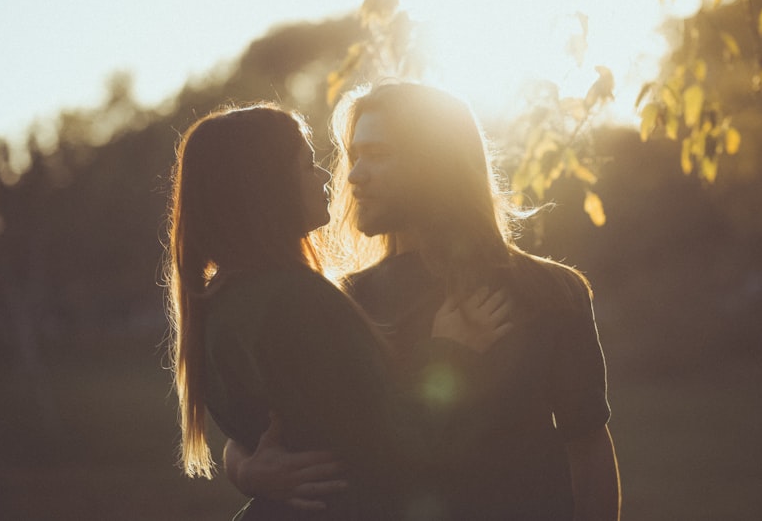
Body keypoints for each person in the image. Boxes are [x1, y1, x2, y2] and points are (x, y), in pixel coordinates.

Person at [228, 83, 621, 520]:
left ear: (437, 164)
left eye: (377, 154)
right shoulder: (340, 303)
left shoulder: (550, 293)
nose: (354, 174)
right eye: (354, 156)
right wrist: (248, 471)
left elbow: (588, 448)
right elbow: (262, 434)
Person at [164, 103, 512, 520]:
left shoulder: (216, 301)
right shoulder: (299, 302)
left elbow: (288, 430)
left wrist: (246, 469)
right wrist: (450, 351)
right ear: (269, 188)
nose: (332, 177)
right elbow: (394, 446)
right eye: (308, 166)